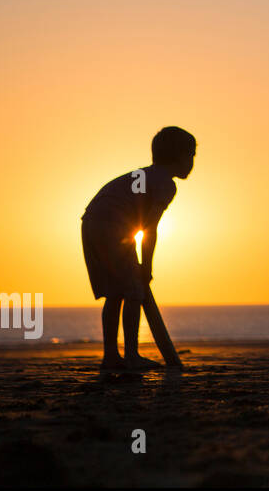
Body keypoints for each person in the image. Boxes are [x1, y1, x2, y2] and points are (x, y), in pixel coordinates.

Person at [81, 127, 196, 370]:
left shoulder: (145, 175)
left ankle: (111, 356)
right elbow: (149, 228)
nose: (193, 162)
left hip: (91, 222)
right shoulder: (165, 183)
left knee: (115, 292)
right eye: (191, 155)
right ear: (178, 157)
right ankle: (131, 355)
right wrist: (147, 267)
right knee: (134, 290)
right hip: (112, 226)